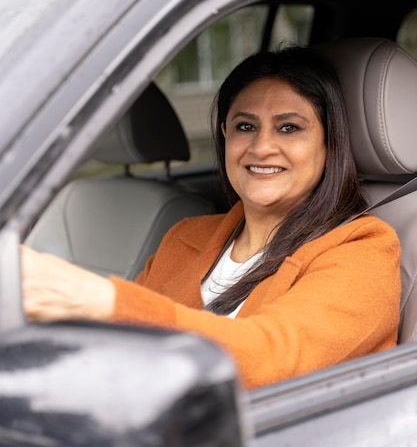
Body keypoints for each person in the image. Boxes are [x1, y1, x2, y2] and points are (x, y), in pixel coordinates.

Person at [21, 45, 401, 390]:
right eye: (245, 126)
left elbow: (272, 360)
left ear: (330, 142)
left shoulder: (363, 251)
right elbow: (122, 349)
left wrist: (100, 300)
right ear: (224, 135)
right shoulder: (186, 236)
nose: (262, 146)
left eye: (289, 128)